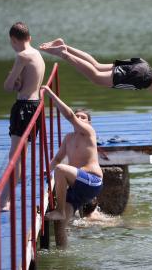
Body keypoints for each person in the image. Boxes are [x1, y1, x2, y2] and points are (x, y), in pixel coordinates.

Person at [39, 38, 152, 170]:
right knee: (96, 78)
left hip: (143, 67)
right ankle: (63, 53)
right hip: (141, 78)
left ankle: (64, 46)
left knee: (96, 65)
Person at [0, 22, 45, 211]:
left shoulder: (22, 56)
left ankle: (3, 202)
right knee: (18, 157)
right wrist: (17, 83)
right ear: (29, 38)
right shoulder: (37, 54)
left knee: (14, 158)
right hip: (36, 106)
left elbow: (7, 87)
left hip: (23, 107)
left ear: (13, 40)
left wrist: (12, 79)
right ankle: (5, 200)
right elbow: (26, 84)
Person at [41, 85, 103, 223]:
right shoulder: (68, 137)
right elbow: (57, 158)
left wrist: (50, 94)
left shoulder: (89, 132)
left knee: (61, 169)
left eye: (83, 117)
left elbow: (69, 115)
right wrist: (46, 172)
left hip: (92, 181)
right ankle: (63, 242)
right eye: (77, 116)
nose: (79, 118)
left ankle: (60, 210)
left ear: (89, 123)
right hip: (76, 184)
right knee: (61, 224)